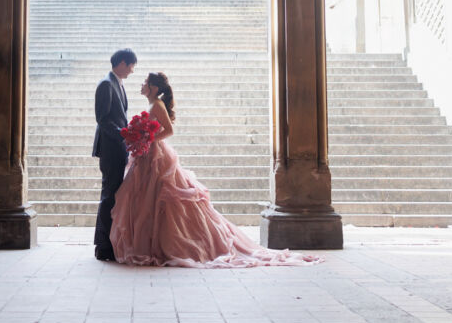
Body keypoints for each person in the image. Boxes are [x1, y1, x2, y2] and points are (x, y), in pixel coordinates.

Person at [110, 72, 322, 268]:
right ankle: (151, 244)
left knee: (162, 198)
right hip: (147, 155)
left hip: (156, 155)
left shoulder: (157, 105)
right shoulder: (153, 104)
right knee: (148, 198)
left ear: (154, 88)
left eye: (145, 83)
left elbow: (170, 130)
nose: (142, 85)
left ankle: (173, 244)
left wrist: (147, 138)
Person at [92, 48, 137, 261]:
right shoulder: (106, 84)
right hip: (110, 148)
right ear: (121, 62)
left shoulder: (116, 83)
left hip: (117, 147)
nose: (131, 70)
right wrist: (124, 135)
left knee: (111, 195)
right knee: (108, 195)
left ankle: (107, 244)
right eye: (130, 66)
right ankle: (103, 247)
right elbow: (102, 120)